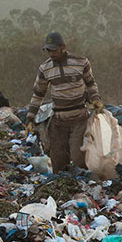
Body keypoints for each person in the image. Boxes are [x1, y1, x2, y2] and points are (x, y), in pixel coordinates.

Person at [25, 31, 104, 173]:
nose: (51, 54)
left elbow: (91, 84)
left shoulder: (81, 62)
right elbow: (38, 94)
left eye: (54, 50)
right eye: (48, 50)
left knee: (79, 157)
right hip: (58, 120)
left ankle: (83, 185)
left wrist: (96, 99)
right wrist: (30, 118)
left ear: (63, 47)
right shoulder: (45, 68)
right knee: (58, 161)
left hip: (79, 118)